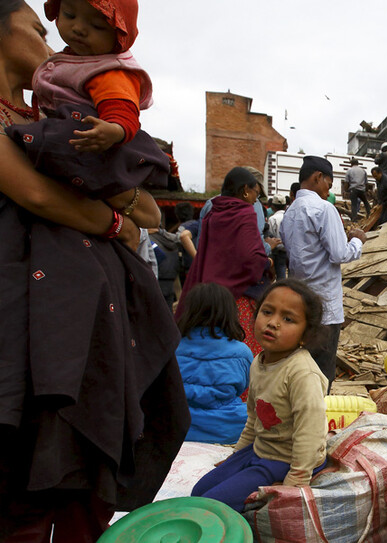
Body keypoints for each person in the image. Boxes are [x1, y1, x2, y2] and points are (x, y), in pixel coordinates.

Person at [0, 3, 189, 539]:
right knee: (25, 484)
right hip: (26, 328)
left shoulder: (52, 119)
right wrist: (113, 222)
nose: (54, 36)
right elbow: (36, 193)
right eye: (39, 27)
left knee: (80, 467)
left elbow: (150, 210)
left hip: (85, 328)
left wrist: (121, 205)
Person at [5, 0, 169, 203]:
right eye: (69, 15)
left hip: (90, 137)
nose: (79, 29)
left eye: (98, 26)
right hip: (75, 138)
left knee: (43, 139)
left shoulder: (108, 71)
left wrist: (114, 129)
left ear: (119, 37)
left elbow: (122, 109)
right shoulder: (72, 60)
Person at [191, 279, 329, 512]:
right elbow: (253, 418)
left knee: (212, 506)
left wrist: (295, 482)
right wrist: (235, 456)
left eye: (288, 319)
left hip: (286, 461)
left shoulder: (302, 373)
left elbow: (311, 434)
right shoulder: (259, 362)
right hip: (259, 450)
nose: (273, 323)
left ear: (305, 335)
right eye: (267, 312)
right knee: (198, 492)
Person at [280, 156, 366, 388]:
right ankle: (318, 419)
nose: (329, 189)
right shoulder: (323, 208)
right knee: (321, 373)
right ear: (318, 177)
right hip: (325, 306)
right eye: (329, 183)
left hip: (300, 303)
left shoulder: (289, 213)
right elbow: (340, 254)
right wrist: (357, 241)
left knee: (302, 370)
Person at [177, 167, 273, 356]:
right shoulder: (245, 213)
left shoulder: (214, 212)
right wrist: (267, 263)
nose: (256, 198)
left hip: (210, 296)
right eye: (256, 192)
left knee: (212, 350)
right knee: (240, 353)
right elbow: (252, 258)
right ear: (245, 189)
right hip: (238, 299)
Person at [176, 282, 253, 445]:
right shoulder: (242, 352)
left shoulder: (172, 346)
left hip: (179, 425)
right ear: (230, 313)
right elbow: (245, 386)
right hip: (229, 428)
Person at [267, 194, 288, 279]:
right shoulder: (289, 216)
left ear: (273, 207)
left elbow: (270, 235)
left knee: (280, 273)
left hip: (277, 250)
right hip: (289, 249)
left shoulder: (272, 219)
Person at [344, 158, 371, 222]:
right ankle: (369, 214)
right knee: (366, 202)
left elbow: (346, 182)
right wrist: (366, 190)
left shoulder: (349, 171)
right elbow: (366, 182)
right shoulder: (363, 171)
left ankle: (354, 219)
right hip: (362, 189)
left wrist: (346, 190)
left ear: (351, 164)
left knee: (354, 204)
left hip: (353, 189)